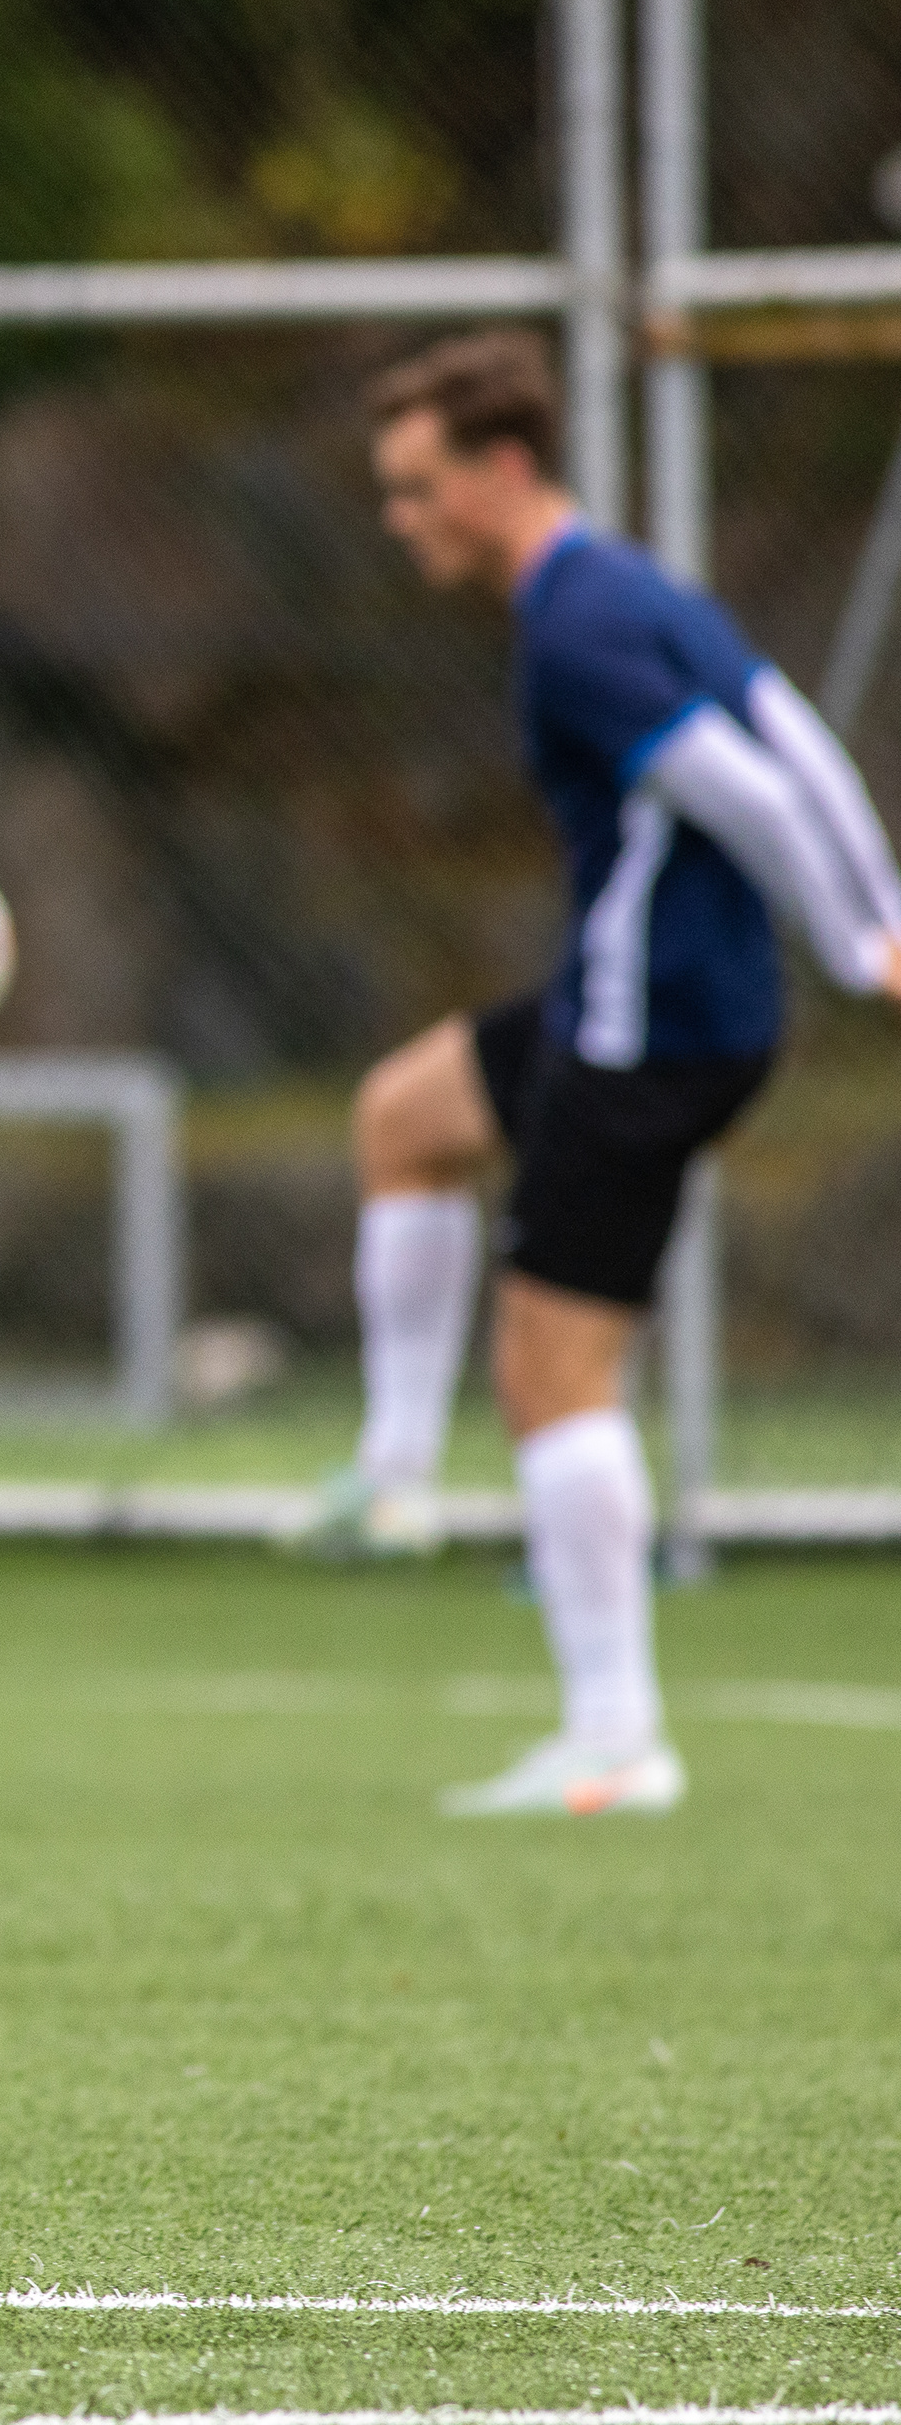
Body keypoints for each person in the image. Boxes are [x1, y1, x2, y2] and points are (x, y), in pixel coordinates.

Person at [301, 329, 901, 1816]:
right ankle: (392, 1476)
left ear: (504, 469)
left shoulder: (577, 630)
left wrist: (864, 943)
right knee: (405, 1117)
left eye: (420, 488)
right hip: (630, 1006)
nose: (401, 518)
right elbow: (804, 742)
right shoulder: (629, 587)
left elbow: (750, 792)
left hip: (649, 1035)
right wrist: (881, 906)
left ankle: (616, 1740)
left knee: (552, 1371)